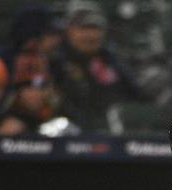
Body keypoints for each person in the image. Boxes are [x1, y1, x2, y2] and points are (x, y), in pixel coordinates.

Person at [51, 0, 144, 132]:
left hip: (111, 133)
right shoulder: (55, 60)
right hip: (66, 133)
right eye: (84, 28)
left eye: (95, 29)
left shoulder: (110, 60)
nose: (90, 35)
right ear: (69, 30)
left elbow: (137, 93)